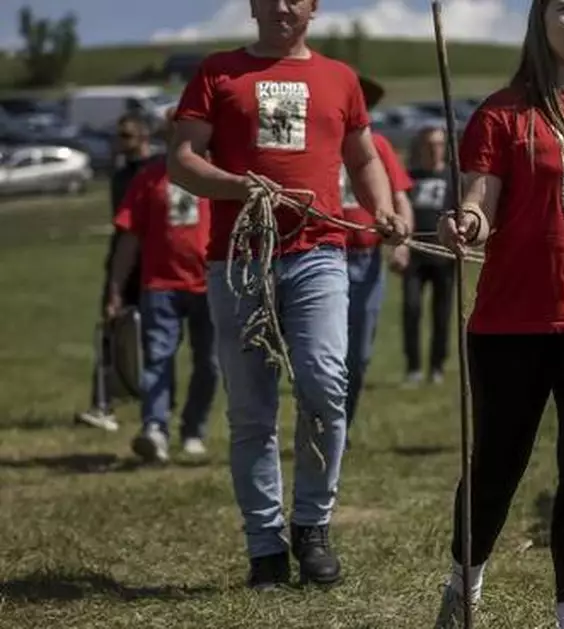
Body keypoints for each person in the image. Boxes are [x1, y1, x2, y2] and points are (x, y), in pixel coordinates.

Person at [168, 0, 406, 590]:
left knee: (326, 382)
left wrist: (384, 210)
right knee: (251, 408)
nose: (282, 5)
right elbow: (181, 161)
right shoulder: (218, 72)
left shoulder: (340, 78)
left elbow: (364, 155)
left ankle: (313, 525)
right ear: (253, 6)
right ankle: (264, 546)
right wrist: (236, 185)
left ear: (313, 7)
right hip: (238, 260)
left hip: (320, 253)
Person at [431, 1, 564, 627]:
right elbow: (480, 198)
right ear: (540, 21)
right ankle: (464, 579)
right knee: (499, 462)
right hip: (512, 318)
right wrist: (468, 221)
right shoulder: (502, 113)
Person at [106, 109, 219, 463]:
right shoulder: (148, 178)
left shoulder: (218, 175)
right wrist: (115, 288)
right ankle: (155, 429)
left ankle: (193, 429)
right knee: (157, 358)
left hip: (210, 284)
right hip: (160, 285)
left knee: (210, 363)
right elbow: (129, 238)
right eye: (175, 129)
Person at [341, 75, 415, 441]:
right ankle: (318, 421)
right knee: (318, 355)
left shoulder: (380, 146)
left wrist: (401, 243)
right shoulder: (318, 146)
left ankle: (339, 426)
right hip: (320, 256)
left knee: (358, 356)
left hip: (365, 261)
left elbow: (400, 199)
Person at [76, 113, 157, 432]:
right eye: (118, 136)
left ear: (144, 137)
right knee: (110, 331)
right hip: (122, 261)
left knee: (155, 341)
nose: (119, 142)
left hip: (152, 264)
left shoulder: (156, 171)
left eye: (126, 136)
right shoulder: (120, 175)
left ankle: (154, 406)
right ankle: (102, 403)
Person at [400, 124, 455, 387]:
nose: (435, 149)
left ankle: (436, 366)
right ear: (421, 146)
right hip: (415, 256)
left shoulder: (454, 178)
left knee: (442, 313)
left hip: (445, 257)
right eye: (430, 144)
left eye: (439, 144)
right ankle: (413, 368)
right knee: (411, 310)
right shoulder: (409, 177)